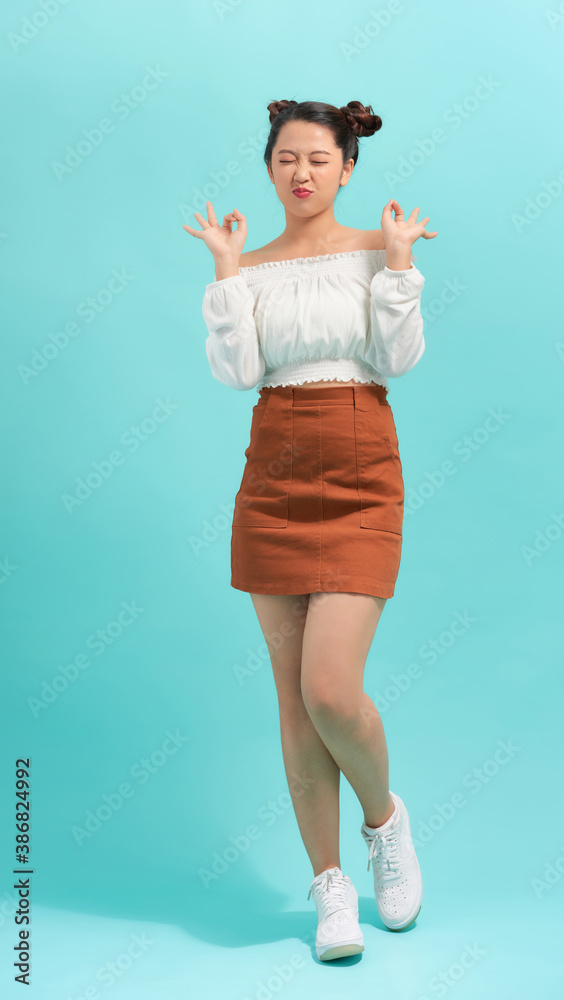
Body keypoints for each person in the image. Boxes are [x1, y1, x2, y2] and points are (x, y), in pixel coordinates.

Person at [184, 99, 437, 962]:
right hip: (273, 479)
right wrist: (225, 272)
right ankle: (329, 888)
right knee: (293, 702)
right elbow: (239, 373)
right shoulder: (249, 266)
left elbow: (396, 360)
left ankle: (384, 823)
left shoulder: (379, 246)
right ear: (268, 167)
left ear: (347, 167)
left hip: (362, 472)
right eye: (286, 158)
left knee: (331, 688)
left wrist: (398, 270)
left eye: (318, 160)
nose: (301, 173)